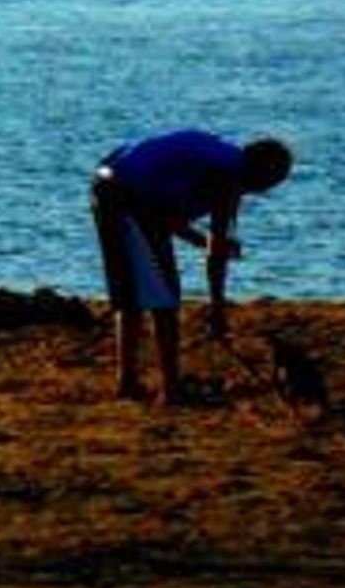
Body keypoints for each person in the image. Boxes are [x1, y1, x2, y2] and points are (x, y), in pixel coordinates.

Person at [91, 126, 294, 403]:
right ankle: (171, 391)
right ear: (262, 175)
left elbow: (164, 217)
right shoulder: (227, 178)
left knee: (133, 297)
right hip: (124, 192)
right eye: (272, 182)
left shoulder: (223, 159)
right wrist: (217, 309)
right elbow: (216, 253)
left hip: (106, 183)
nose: (266, 190)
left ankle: (128, 383)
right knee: (164, 300)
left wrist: (203, 241)